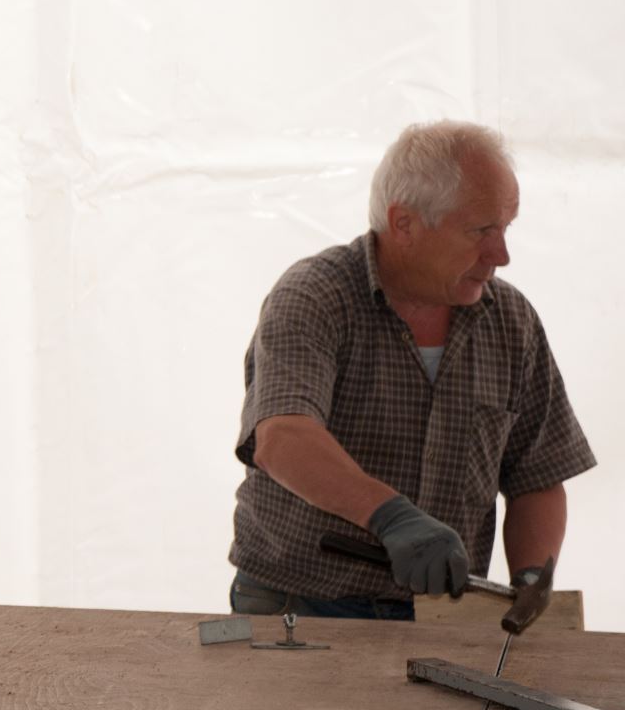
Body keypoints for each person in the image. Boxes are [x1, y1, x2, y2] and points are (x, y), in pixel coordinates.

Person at [229, 120, 594, 619]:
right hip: (301, 604)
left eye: (506, 228)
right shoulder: (316, 296)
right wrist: (390, 516)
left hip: (442, 614)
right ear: (403, 224)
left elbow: (538, 474)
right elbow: (283, 437)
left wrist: (531, 576)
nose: (502, 255)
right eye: (480, 231)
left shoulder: (511, 322)